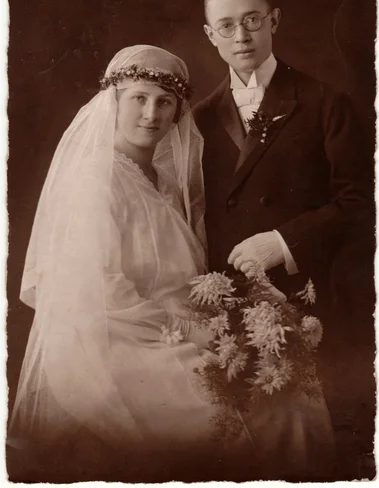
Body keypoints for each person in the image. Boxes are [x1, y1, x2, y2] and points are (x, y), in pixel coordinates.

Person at [9, 44, 334, 482]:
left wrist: (229, 324)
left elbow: (184, 278)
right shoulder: (96, 177)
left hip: (162, 330)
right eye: (139, 99)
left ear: (179, 112)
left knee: (287, 391)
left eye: (166, 102)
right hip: (107, 343)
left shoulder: (162, 181)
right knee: (231, 417)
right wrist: (198, 335)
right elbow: (101, 292)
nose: (152, 113)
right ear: (114, 102)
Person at [193, 0, 372, 467]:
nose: (241, 37)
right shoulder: (199, 118)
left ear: (274, 21)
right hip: (232, 307)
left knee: (320, 446)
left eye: (252, 20)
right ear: (210, 36)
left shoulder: (325, 101)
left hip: (316, 297)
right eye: (226, 26)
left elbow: (361, 203)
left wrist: (281, 242)